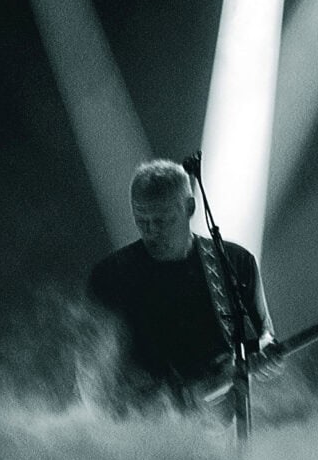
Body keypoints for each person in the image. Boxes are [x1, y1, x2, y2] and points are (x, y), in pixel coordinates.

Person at [87, 158, 279, 419]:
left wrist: (266, 351)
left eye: (163, 220)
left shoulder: (234, 262)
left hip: (220, 426)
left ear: (189, 207)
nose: (152, 231)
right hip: (135, 430)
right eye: (142, 221)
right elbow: (92, 369)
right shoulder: (110, 276)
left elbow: (264, 335)